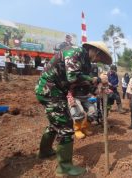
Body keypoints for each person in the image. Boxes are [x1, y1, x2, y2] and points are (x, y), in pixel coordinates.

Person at [35, 41, 111, 177]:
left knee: (55, 123)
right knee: (66, 127)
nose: (98, 61)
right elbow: (73, 77)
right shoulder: (75, 52)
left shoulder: (86, 63)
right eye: (99, 58)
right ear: (95, 51)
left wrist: (97, 89)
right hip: (50, 90)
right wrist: (97, 79)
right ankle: (64, 168)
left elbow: (83, 85)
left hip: (57, 92)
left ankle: (45, 151)